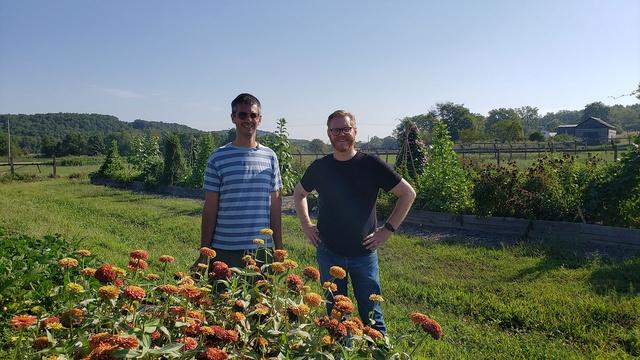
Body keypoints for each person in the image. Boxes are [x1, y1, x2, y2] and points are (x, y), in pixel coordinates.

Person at [293, 110, 416, 334]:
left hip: (364, 254)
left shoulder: (371, 165)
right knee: (336, 316)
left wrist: (387, 230)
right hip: (329, 251)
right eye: (336, 129)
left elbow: (407, 194)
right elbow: (299, 193)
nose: (341, 134)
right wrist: (306, 225)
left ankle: (379, 353)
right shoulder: (320, 167)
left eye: (346, 128)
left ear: (355, 131)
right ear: (329, 134)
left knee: (372, 317)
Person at [191, 93, 283, 271]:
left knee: (261, 299)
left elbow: (275, 207)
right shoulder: (218, 157)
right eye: (242, 115)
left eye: (253, 115)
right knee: (222, 297)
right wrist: (204, 252)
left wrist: (278, 248)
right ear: (233, 118)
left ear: (260, 119)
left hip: (261, 251)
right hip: (224, 249)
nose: (248, 119)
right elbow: (210, 208)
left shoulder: (270, 157)